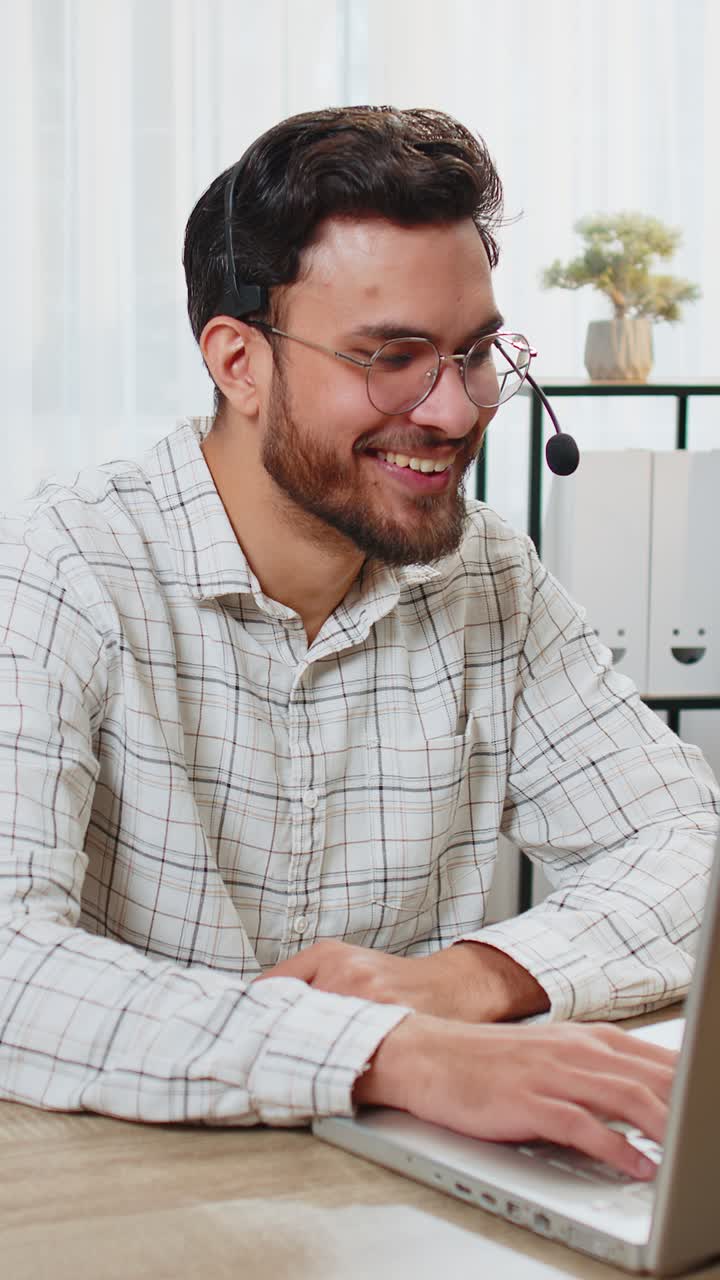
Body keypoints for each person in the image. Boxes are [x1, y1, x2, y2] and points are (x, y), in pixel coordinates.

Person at [0, 106, 717, 1181]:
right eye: (393, 358)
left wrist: (466, 981)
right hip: (109, 1194)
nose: (450, 408)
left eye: (475, 353)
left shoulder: (490, 578)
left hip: (388, 1198)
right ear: (239, 362)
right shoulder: (60, 571)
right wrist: (389, 1050)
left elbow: (690, 850)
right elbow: (11, 967)